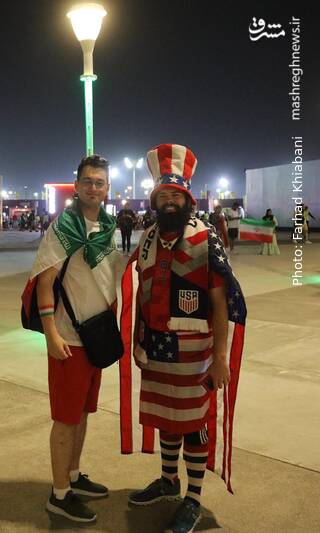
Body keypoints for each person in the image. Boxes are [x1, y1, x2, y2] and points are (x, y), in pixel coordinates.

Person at [120, 144, 247, 533]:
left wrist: (220, 358)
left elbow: (220, 301)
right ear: (155, 200)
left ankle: (192, 498)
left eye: (176, 195)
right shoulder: (147, 238)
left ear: (187, 199)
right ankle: (168, 480)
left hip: (196, 354)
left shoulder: (206, 238)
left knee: (193, 425)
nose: (170, 201)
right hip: (157, 348)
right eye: (164, 196)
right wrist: (138, 340)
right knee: (166, 418)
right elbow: (140, 293)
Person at [22, 155, 124, 523]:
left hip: (97, 335)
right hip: (69, 338)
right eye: (88, 181)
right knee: (66, 419)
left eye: (100, 182)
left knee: (82, 413)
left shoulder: (108, 227)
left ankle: (75, 475)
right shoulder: (63, 228)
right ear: (77, 186)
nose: (93, 188)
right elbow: (45, 283)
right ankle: (59, 494)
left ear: (107, 188)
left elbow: (110, 276)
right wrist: (50, 334)